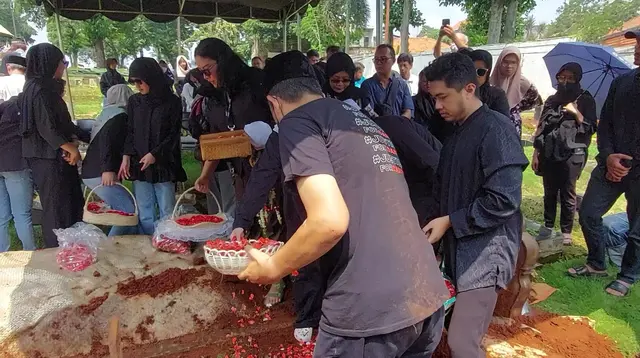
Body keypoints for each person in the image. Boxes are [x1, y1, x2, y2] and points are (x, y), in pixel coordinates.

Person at [239, 50, 449, 358]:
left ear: (274, 103)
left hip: (369, 312)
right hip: (424, 296)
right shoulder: (360, 119)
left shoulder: (297, 122)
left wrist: (274, 267)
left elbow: (328, 221)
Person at [423, 53, 528, 358]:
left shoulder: (496, 129)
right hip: (460, 249)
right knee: (452, 331)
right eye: (434, 98)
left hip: (485, 253)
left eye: (443, 97)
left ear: (469, 88)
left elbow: (504, 199)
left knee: (462, 342)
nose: (437, 106)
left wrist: (450, 221)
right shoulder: (458, 131)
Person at [567, 30, 640, 297]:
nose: (637, 48)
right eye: (637, 42)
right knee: (588, 212)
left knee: (636, 228)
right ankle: (597, 263)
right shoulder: (622, 82)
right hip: (610, 164)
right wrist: (608, 156)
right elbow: (605, 124)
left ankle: (628, 275)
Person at [193, 38, 272, 216]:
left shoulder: (256, 81)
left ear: (222, 62)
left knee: (271, 224)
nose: (206, 77)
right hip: (241, 174)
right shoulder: (214, 95)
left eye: (207, 71)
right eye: (201, 72)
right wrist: (205, 175)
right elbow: (218, 140)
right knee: (246, 222)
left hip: (271, 170)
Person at [19, 43, 88, 248]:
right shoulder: (39, 89)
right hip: (47, 158)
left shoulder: (40, 86)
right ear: (49, 64)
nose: (64, 67)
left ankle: (72, 246)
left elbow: (63, 123)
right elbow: (47, 127)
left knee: (68, 202)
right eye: (62, 62)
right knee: (57, 207)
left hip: (50, 155)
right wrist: (69, 147)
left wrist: (85, 136)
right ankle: (59, 250)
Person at [119, 57, 187, 235]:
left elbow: (173, 134)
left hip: (163, 162)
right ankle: (148, 242)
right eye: (134, 82)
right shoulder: (135, 102)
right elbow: (130, 130)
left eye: (140, 81)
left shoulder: (172, 102)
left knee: (166, 209)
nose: (137, 86)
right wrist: (126, 156)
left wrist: (155, 154)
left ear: (151, 78)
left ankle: (168, 240)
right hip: (140, 162)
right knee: (145, 211)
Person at [532, 62, 597, 246]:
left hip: (573, 152)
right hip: (549, 150)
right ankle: (548, 225)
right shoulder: (552, 100)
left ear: (577, 79)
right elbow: (541, 127)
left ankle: (566, 230)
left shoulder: (585, 100)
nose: (565, 81)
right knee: (549, 191)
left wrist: (577, 113)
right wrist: (536, 153)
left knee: (568, 191)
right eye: (562, 77)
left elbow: (591, 127)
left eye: (570, 78)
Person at [82, 84, 138, 236]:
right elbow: (108, 142)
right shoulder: (119, 116)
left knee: (125, 209)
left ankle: (126, 246)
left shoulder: (106, 113)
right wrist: (108, 169)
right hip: (100, 172)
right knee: (128, 212)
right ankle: (108, 247)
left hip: (92, 170)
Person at [0, 76, 35, 252]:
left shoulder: (3, 108)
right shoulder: (26, 108)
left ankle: (2, 256)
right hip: (16, 164)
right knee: (22, 215)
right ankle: (31, 254)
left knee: (1, 217)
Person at [490, 46, 542, 138]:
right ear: (499, 62)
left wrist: (515, 109)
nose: (509, 66)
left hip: (512, 126)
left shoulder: (524, 83)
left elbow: (537, 101)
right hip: (490, 125)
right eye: (505, 62)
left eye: (513, 62)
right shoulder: (490, 82)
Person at [361, 44, 414, 118]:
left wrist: (398, 123)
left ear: (393, 60)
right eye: (376, 59)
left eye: (383, 59)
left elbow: (408, 111)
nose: (379, 63)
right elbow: (368, 112)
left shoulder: (402, 85)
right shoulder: (367, 85)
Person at [467, 49, 511, 118]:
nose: (475, 76)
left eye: (480, 71)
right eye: (471, 70)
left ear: (488, 72)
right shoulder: (458, 92)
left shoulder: (497, 95)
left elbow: (503, 123)